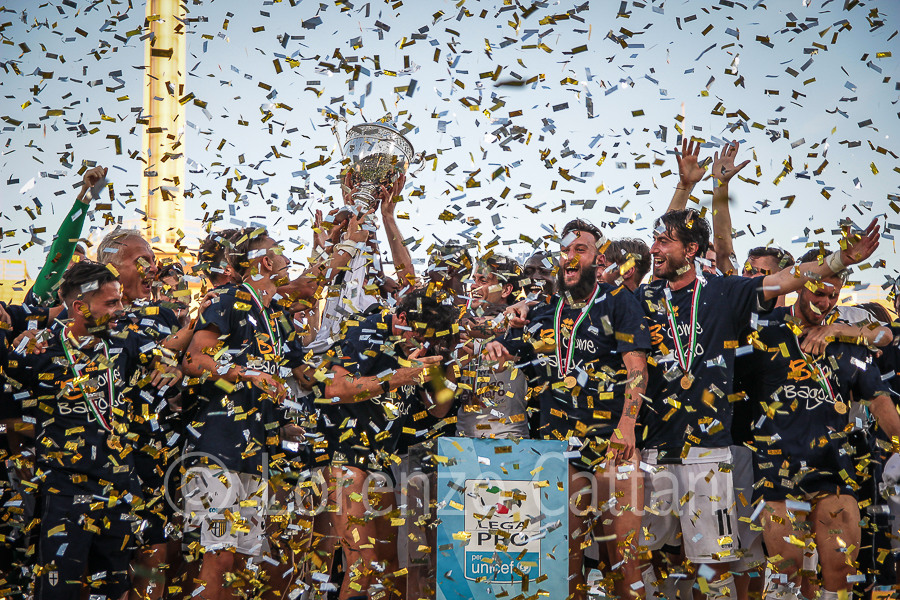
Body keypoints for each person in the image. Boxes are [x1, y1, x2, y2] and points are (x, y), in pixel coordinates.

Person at [637, 207, 881, 600]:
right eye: (655, 240)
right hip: (653, 447)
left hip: (708, 451)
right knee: (634, 554)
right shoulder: (645, 296)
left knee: (712, 567)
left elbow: (784, 279)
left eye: (663, 241)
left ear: (691, 249)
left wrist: (839, 259)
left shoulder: (723, 291)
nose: (654, 248)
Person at [487, 218, 651, 600]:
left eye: (580, 249)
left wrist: (627, 426)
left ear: (598, 258)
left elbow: (637, 369)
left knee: (623, 564)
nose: (570, 257)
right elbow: (514, 348)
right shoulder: (546, 309)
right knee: (564, 565)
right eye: (565, 250)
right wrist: (498, 343)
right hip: (559, 449)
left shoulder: (618, 301)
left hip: (612, 445)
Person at [3, 261, 179, 600]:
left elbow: (171, 366)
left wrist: (172, 370)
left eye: (120, 300)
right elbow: (7, 414)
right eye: (111, 303)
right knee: (58, 591)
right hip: (66, 490)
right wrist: (27, 449)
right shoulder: (39, 352)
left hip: (119, 486)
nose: (120, 309)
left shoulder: (127, 341)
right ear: (79, 307)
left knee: (115, 589)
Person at [741, 252, 900, 600]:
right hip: (778, 473)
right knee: (787, 574)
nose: (825, 302)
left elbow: (878, 399)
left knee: (841, 573)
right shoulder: (763, 331)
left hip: (833, 470)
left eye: (833, 295)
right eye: (818, 292)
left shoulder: (846, 340)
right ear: (800, 285)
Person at [181, 229, 309, 600]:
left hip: (257, 448)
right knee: (219, 556)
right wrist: (245, 374)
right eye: (280, 252)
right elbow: (193, 359)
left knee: (242, 560)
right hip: (218, 444)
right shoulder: (226, 298)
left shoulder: (277, 314)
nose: (288, 259)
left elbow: (304, 374)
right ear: (265, 262)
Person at [310, 288, 457, 599]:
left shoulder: (417, 349)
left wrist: (447, 359)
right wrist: (402, 376)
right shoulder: (367, 332)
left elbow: (440, 408)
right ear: (401, 318)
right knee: (363, 563)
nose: (423, 343)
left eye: (430, 339)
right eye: (420, 335)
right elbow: (335, 388)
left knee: (389, 566)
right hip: (345, 453)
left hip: (380, 458)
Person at [457, 254, 528, 439]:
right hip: (463, 442)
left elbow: (487, 326)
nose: (474, 286)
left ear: (506, 289)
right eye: (474, 279)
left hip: (510, 442)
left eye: (483, 280)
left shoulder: (522, 323)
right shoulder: (464, 325)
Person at [24, 165, 106, 307]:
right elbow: (62, 250)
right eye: (73, 260)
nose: (81, 266)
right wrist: (85, 197)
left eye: (85, 262)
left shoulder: (95, 309)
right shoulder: (44, 297)